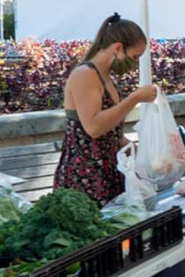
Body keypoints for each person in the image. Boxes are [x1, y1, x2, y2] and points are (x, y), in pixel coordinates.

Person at [55, 14, 157, 205]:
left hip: (108, 172)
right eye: (135, 57)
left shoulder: (107, 78)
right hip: (85, 176)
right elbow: (94, 127)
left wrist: (146, 155)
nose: (135, 64)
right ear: (118, 48)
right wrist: (135, 98)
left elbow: (113, 135)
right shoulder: (85, 75)